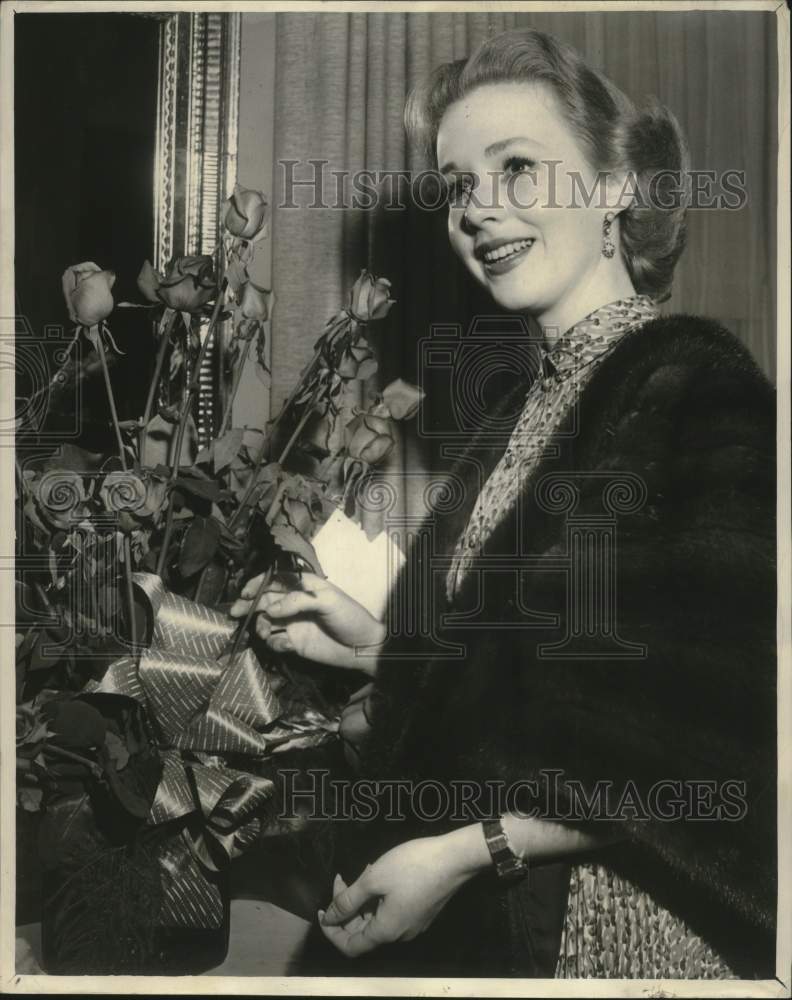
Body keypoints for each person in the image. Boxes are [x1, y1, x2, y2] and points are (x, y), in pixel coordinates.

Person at [230, 28, 776, 979]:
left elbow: (714, 743)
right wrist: (362, 638)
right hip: (508, 905)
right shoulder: (519, 416)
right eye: (456, 187)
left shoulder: (699, 388)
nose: (479, 211)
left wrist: (462, 852)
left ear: (616, 185)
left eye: (517, 168)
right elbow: (545, 682)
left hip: (615, 925)